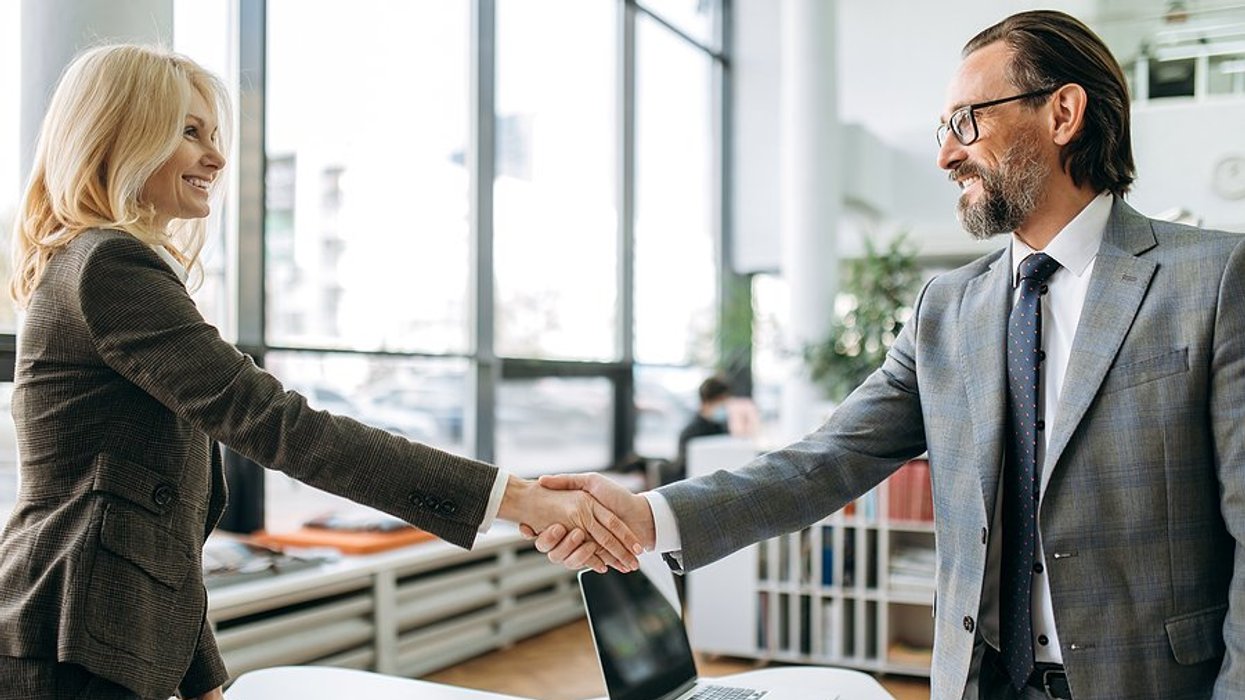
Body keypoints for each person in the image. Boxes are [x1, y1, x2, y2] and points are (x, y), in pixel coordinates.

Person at [530, 10, 1245, 699]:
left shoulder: (1213, 280)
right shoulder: (945, 309)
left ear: (1062, 113)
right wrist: (647, 515)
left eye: (967, 121)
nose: (945, 155)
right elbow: (826, 460)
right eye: (944, 129)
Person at [0, 44, 641, 700]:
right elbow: (283, 427)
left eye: (213, 135)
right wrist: (520, 499)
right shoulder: (109, 267)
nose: (216, 158)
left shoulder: (97, 265)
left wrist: (204, 682)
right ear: (119, 135)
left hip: (91, 634)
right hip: (70, 636)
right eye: (189, 132)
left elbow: (147, 516)